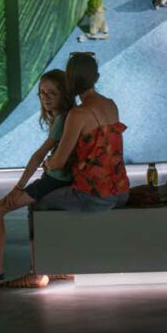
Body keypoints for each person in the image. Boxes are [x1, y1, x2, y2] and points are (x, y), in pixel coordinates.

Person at [0, 70, 76, 288]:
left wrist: (18, 187)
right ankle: (50, 267)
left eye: (52, 93)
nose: (46, 98)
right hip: (54, 179)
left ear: (65, 94)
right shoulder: (64, 116)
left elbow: (38, 155)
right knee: (31, 213)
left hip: (53, 181)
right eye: (42, 93)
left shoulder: (63, 118)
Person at [39, 51, 130, 212]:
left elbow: (59, 161)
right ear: (96, 77)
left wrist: (47, 163)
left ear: (70, 80)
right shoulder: (111, 104)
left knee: (39, 202)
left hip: (94, 196)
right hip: (122, 192)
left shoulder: (77, 114)